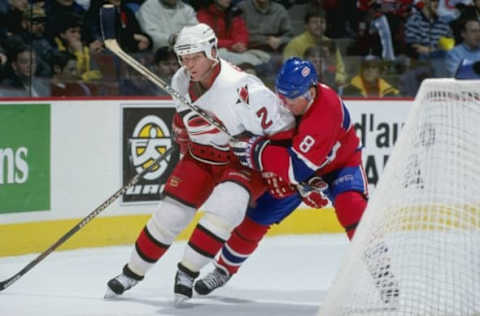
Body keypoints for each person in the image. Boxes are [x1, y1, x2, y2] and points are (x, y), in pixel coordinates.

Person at [105, 23, 295, 305]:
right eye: (183, 57)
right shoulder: (180, 80)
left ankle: (187, 273)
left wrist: (261, 151)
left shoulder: (242, 88)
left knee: (224, 211)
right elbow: (186, 117)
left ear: (213, 51)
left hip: (241, 161)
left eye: (195, 56)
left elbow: (284, 128)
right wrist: (181, 129)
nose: (188, 64)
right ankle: (133, 272)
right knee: (170, 216)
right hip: (201, 155)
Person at [193, 57, 370, 300]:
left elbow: (296, 169)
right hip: (299, 168)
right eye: (280, 93)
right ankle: (223, 269)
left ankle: (382, 271)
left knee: (352, 207)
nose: (283, 103)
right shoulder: (284, 104)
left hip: (338, 166)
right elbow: (276, 143)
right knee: (259, 216)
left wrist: (257, 151)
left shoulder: (326, 110)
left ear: (310, 92)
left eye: (291, 96)